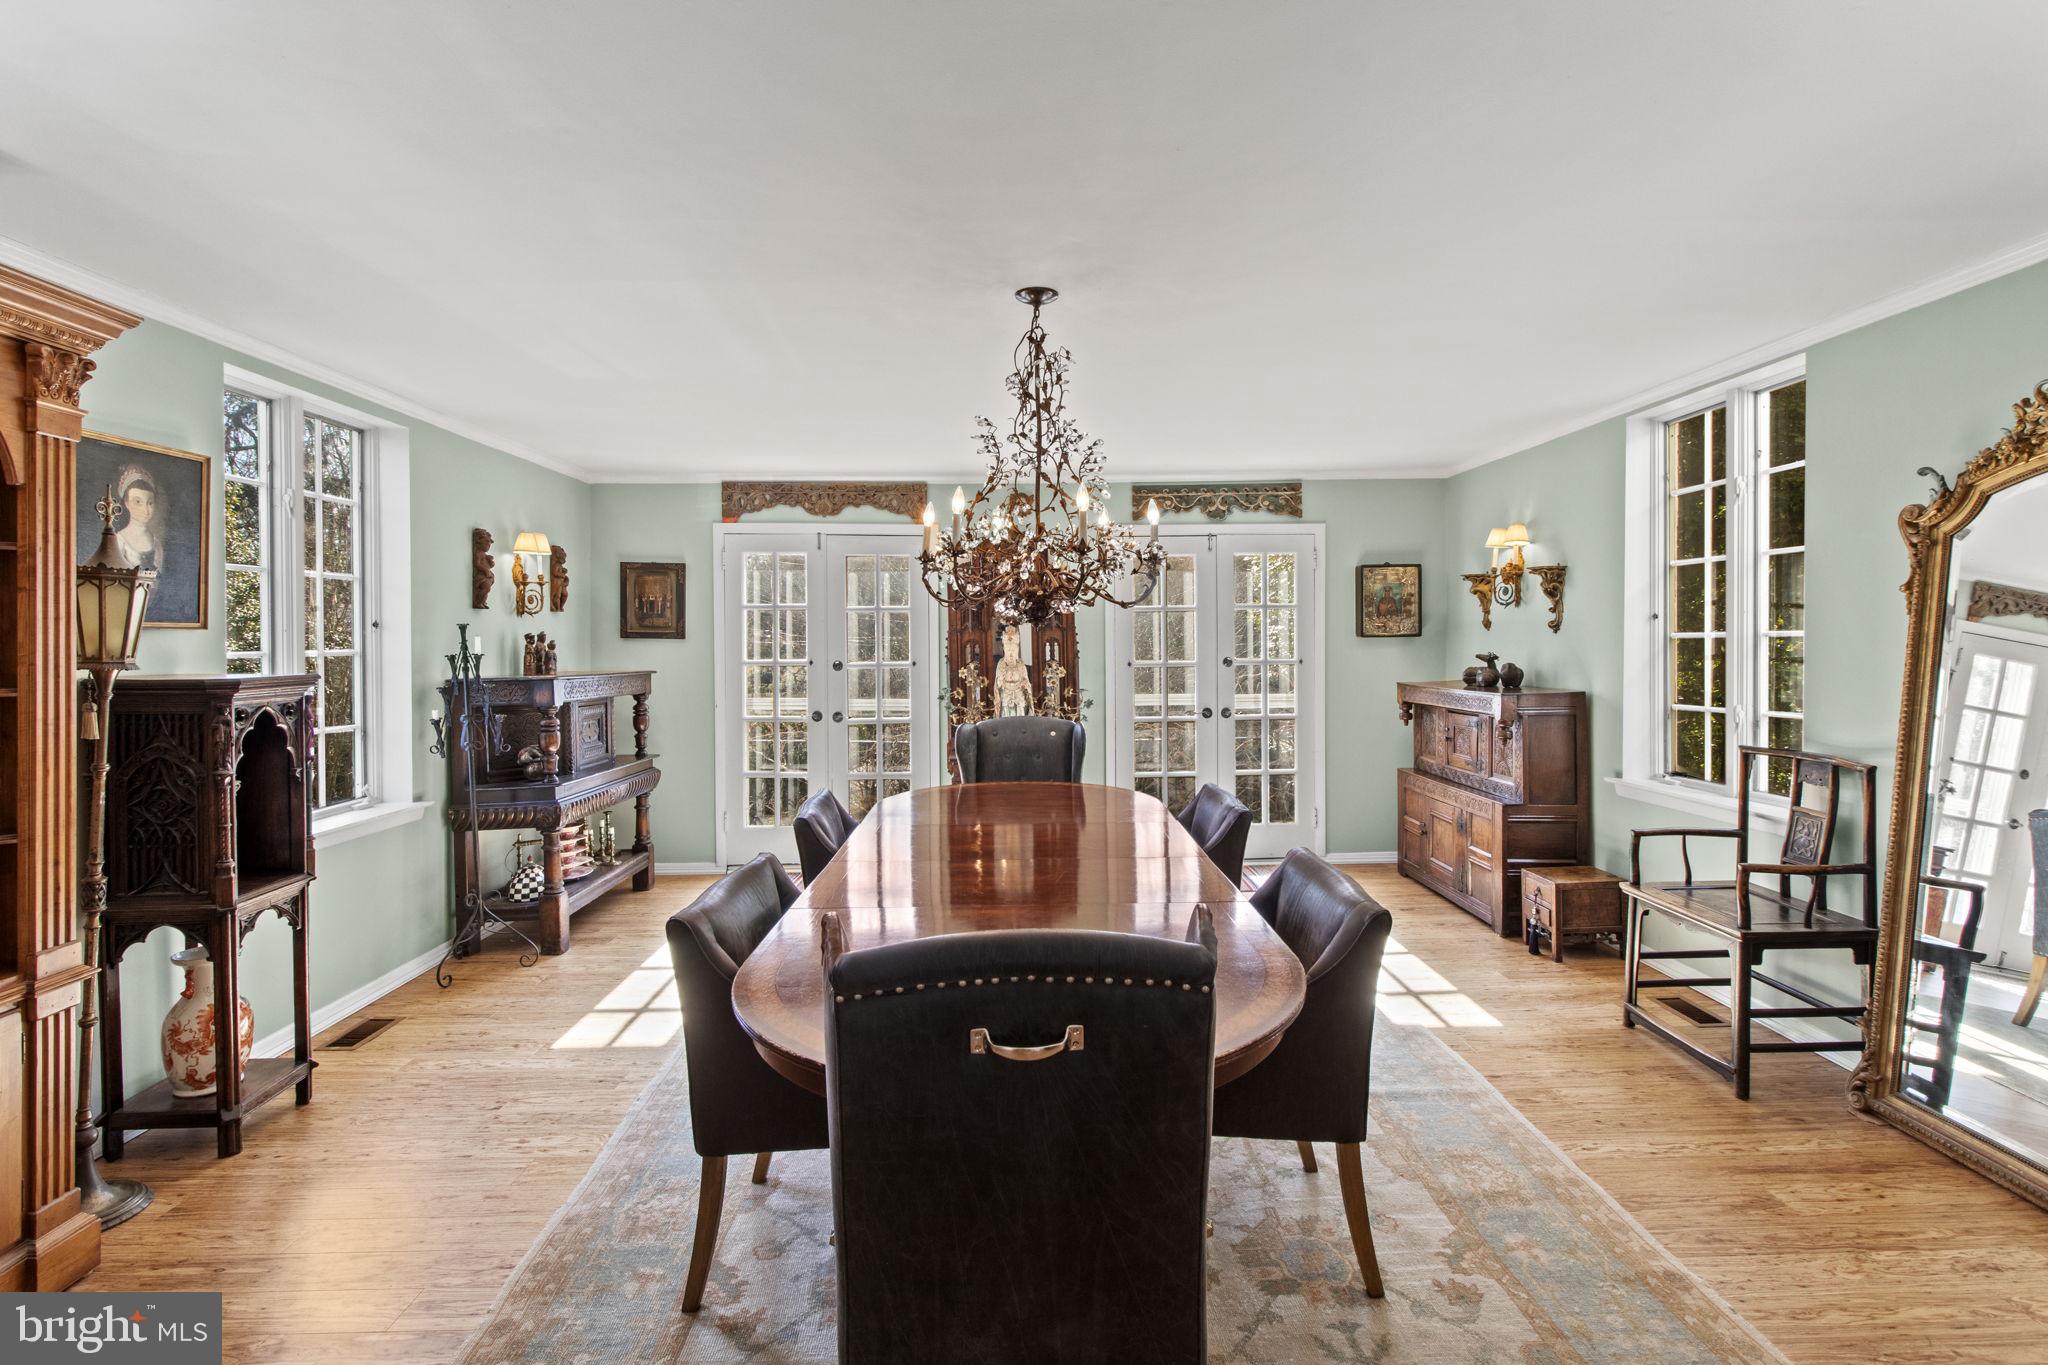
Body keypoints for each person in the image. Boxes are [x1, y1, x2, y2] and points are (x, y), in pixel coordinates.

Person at [112, 466, 164, 575]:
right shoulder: (118, 541)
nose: (145, 510)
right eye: (138, 502)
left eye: (150, 503)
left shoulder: (156, 543)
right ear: (126, 503)